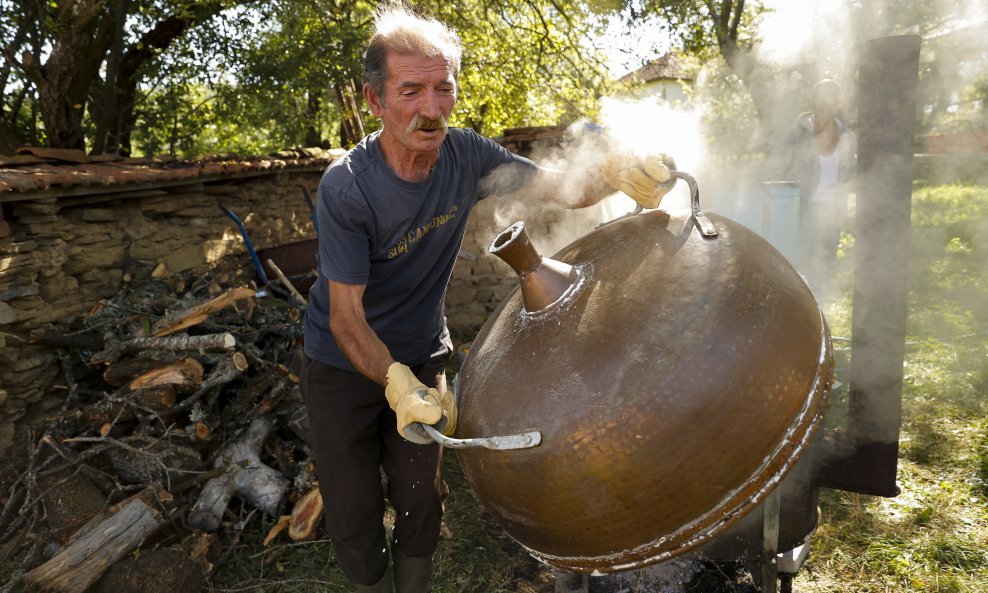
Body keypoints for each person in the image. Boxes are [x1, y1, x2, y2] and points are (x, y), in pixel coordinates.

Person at [299, 4, 675, 592]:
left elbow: (564, 191)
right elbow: (346, 318)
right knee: (352, 511)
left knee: (423, 497)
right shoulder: (347, 188)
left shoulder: (466, 156)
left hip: (424, 352)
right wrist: (395, 384)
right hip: (341, 365)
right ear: (375, 102)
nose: (431, 109)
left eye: (443, 88)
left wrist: (621, 174)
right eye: (411, 92)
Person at [780, 78, 856, 304]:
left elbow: (850, 173)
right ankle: (802, 315)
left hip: (833, 212)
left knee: (827, 268)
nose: (825, 104)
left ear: (837, 102)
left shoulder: (846, 136)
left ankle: (822, 318)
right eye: (821, 98)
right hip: (803, 209)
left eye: (831, 98)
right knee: (801, 268)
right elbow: (783, 169)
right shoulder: (798, 133)